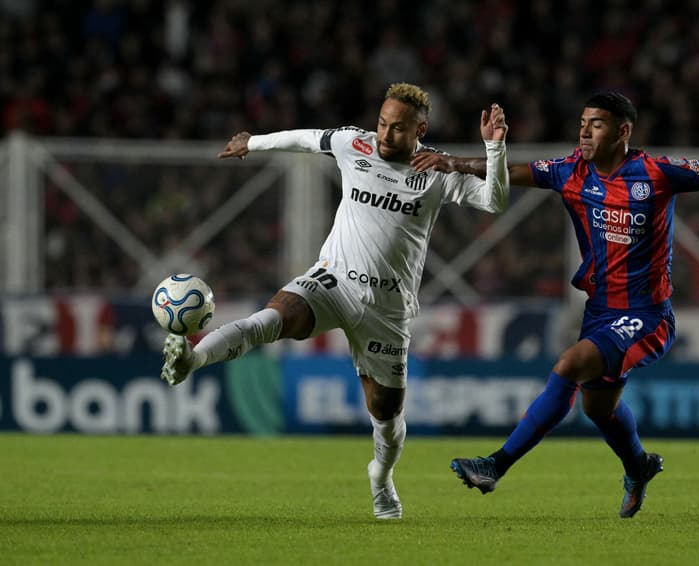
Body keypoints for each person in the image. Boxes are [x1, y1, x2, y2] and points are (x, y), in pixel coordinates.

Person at [411, 91, 699, 518]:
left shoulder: (656, 173)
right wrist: (454, 162)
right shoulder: (569, 171)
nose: (585, 131)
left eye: (597, 124)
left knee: (570, 364)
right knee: (597, 407)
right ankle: (638, 466)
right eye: (583, 123)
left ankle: (495, 465)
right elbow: (508, 172)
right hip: (601, 312)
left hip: (647, 316)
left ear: (623, 131)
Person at [159, 83, 510, 519]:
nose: (385, 135)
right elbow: (306, 138)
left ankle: (381, 479)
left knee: (386, 415)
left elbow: (495, 200)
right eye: (382, 123)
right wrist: (254, 142)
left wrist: (493, 150)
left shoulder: (434, 170)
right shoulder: (354, 143)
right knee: (272, 318)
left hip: (388, 310)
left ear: (420, 129)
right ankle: (192, 359)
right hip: (333, 281)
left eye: (398, 129)